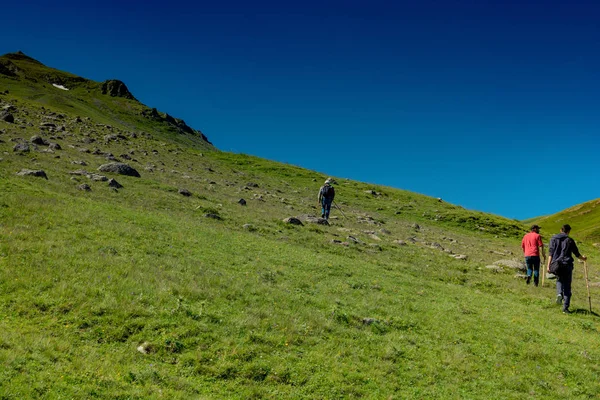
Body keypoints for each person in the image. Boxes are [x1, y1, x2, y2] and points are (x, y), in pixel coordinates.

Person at [547, 224, 587, 314]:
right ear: (568, 231)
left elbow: (551, 253)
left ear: (561, 230)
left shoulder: (553, 239)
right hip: (567, 264)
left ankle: (559, 293)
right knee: (567, 286)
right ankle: (565, 308)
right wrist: (583, 259)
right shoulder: (570, 240)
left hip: (556, 264)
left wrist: (548, 265)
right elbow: (576, 253)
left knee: (559, 279)